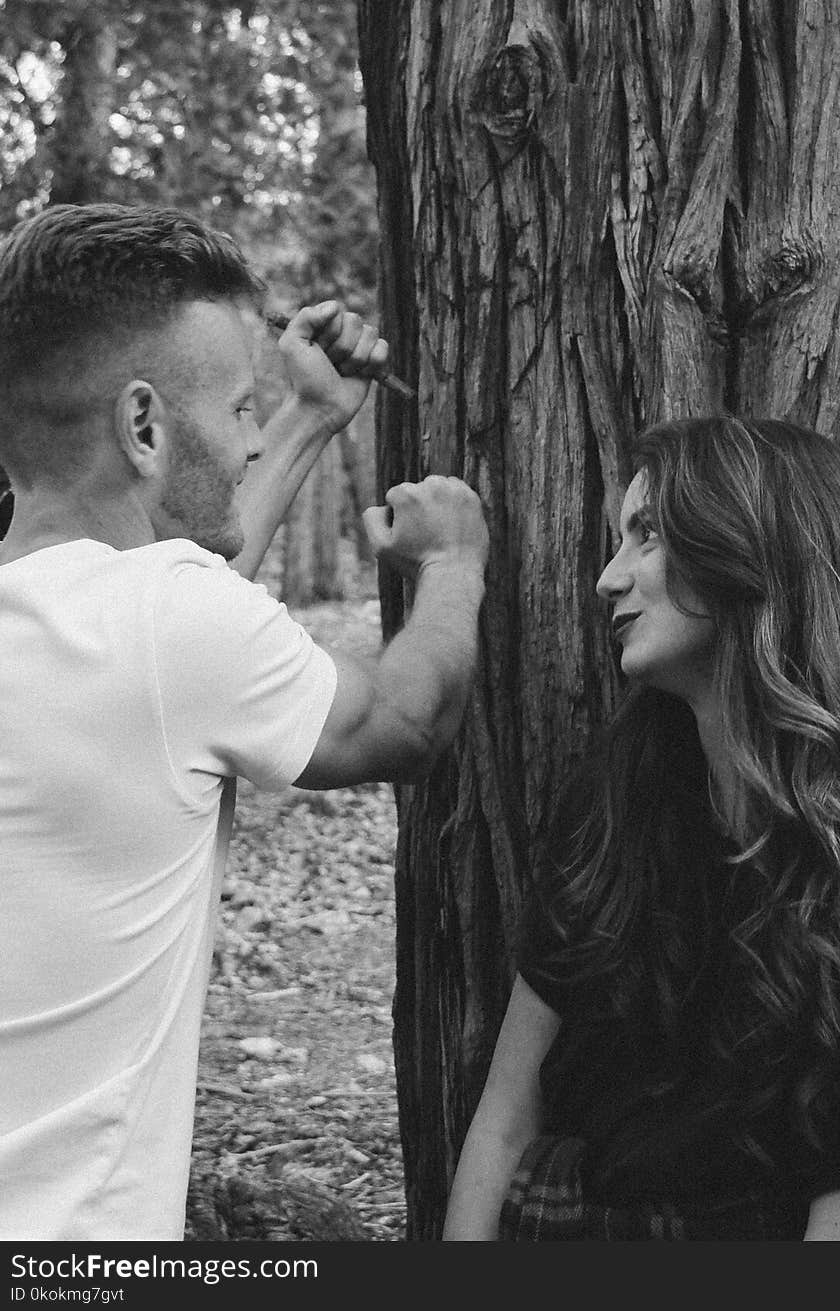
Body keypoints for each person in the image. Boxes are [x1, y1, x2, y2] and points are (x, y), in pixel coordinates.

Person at [0, 202, 489, 1241]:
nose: (249, 441)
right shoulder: (165, 623)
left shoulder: (89, 623)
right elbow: (405, 720)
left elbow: (176, 631)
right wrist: (453, 566)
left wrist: (313, 417)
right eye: (238, 410)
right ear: (142, 425)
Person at [443, 416, 840, 1242]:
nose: (608, 578)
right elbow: (506, 1117)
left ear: (750, 546)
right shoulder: (619, 801)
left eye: (646, 536)